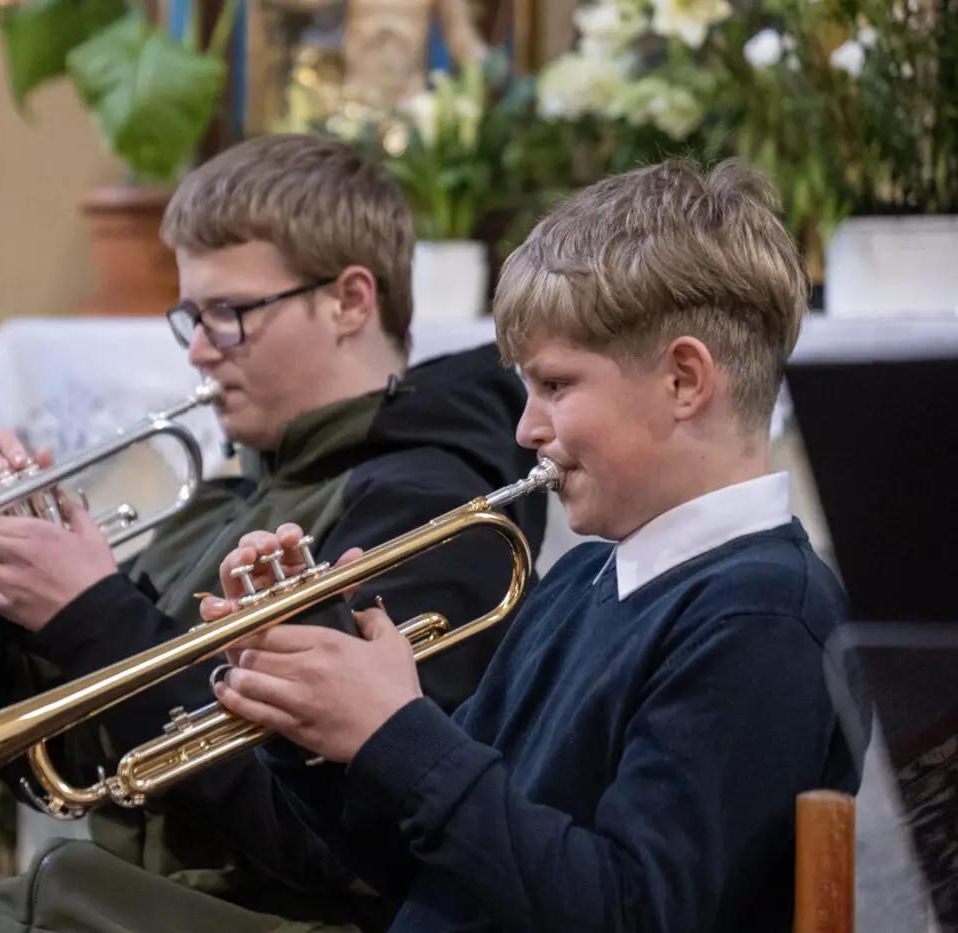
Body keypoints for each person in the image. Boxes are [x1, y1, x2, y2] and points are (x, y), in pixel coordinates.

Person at [0, 133, 546, 933]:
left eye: (229, 314)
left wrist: (91, 610)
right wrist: (4, 591)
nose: (200, 350)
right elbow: (69, 773)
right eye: (191, 317)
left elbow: (321, 841)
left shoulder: (433, 512)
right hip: (100, 902)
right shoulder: (235, 493)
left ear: (349, 300)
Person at [199, 157, 861, 932]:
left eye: (555, 386)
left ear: (684, 380)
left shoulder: (764, 618)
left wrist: (398, 732)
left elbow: (630, 912)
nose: (525, 430)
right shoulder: (587, 575)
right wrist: (308, 712)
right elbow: (425, 866)